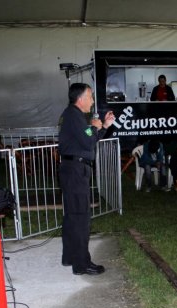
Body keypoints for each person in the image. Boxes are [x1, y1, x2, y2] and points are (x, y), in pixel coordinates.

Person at [58, 82, 115, 275]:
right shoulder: (74, 115)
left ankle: (69, 257)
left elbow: (88, 138)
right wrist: (94, 127)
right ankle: (82, 264)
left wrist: (103, 126)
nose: (92, 101)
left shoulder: (73, 115)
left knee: (72, 216)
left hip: (73, 170)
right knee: (80, 218)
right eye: (90, 97)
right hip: (75, 171)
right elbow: (88, 139)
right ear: (80, 99)